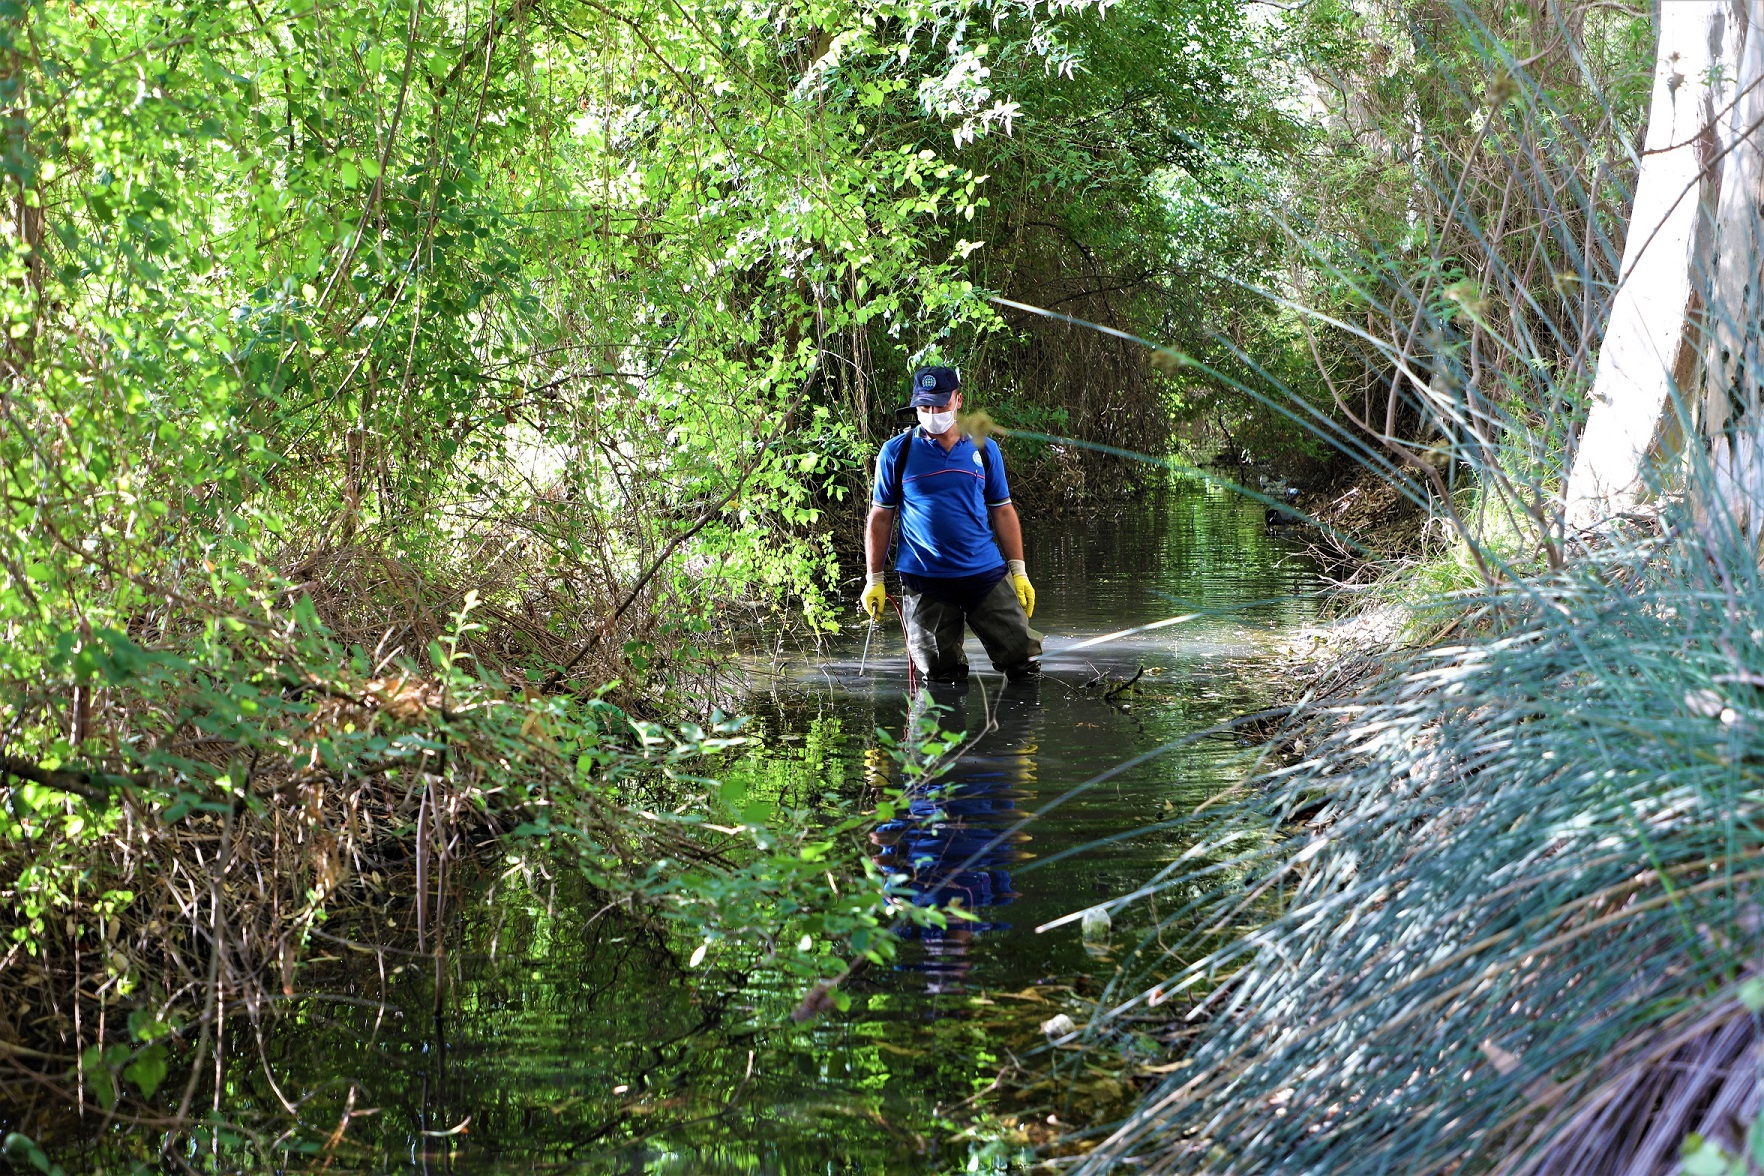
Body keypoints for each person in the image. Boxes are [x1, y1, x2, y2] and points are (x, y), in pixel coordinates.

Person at [860, 366, 1042, 682]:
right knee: (940, 675)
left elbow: (1002, 510)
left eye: (940, 405)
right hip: (925, 580)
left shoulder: (984, 449)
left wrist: (1019, 571)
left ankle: (1019, 728)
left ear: (958, 400)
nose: (932, 413)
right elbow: (881, 516)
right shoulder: (896, 453)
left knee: (1023, 660)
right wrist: (873, 579)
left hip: (984, 574)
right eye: (924, 406)